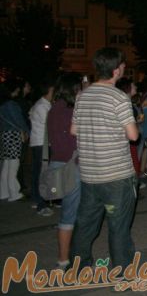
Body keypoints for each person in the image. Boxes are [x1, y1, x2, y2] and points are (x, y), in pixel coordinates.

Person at [70, 47, 139, 269]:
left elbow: (74, 130)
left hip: (90, 174)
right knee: (118, 226)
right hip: (116, 175)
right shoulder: (119, 97)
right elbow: (133, 135)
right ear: (116, 70)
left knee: (85, 224)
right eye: (122, 65)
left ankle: (79, 267)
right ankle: (122, 272)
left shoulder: (82, 96)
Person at [47, 73, 83, 270]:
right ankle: (66, 260)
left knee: (69, 214)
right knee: (72, 215)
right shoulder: (70, 112)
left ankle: (66, 257)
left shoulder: (53, 110)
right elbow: (75, 139)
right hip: (72, 167)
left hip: (58, 165)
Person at [0, 79, 30, 202]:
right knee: (13, 164)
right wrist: (27, 131)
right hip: (13, 135)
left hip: (4, 135)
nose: (18, 90)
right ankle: (14, 193)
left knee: (7, 165)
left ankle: (4, 192)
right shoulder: (11, 104)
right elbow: (19, 121)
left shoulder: (2, 104)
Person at [28, 78, 54, 216]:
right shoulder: (43, 106)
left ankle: (36, 199)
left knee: (38, 172)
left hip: (39, 142)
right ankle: (40, 203)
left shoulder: (41, 104)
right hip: (41, 143)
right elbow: (49, 125)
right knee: (41, 173)